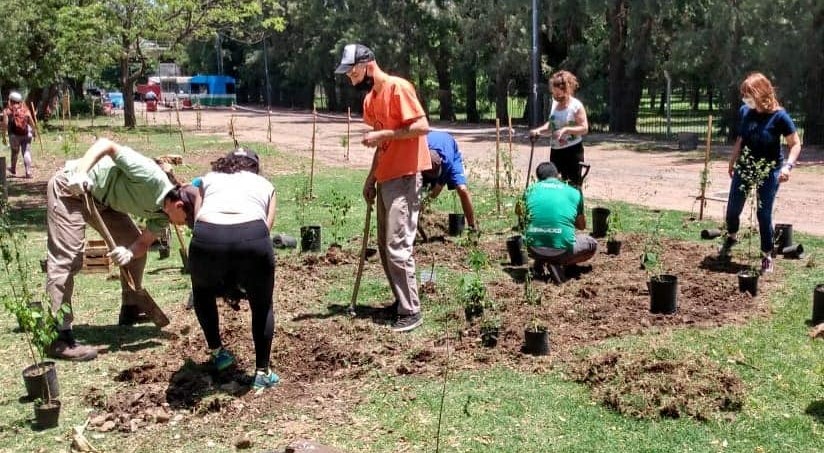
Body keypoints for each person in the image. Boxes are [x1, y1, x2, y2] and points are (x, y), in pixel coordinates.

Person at [46, 138, 193, 361]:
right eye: (185, 221)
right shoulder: (150, 177)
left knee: (132, 243)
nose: (183, 226)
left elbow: (142, 244)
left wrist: (129, 252)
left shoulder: (163, 217)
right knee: (67, 260)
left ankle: (131, 307)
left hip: (104, 203)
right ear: (179, 206)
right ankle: (59, 336)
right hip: (71, 189)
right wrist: (81, 173)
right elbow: (106, 144)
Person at [335, 43, 430, 332]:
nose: (350, 77)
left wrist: (387, 133)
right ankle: (401, 301)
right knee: (385, 245)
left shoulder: (397, 88)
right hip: (386, 177)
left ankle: (411, 311)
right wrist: (370, 177)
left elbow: (423, 126)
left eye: (352, 71)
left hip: (405, 176)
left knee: (398, 245)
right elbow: (382, 146)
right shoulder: (369, 100)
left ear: (367, 64)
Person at [187, 147, 279, 393]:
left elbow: (197, 220)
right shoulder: (265, 185)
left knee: (202, 291)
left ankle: (218, 353)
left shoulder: (208, 179)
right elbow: (267, 227)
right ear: (254, 167)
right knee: (262, 305)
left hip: (207, 238)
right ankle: (262, 372)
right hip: (252, 236)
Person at [718, 72, 802, 273]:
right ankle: (731, 236)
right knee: (732, 208)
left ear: (761, 94)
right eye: (744, 95)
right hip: (745, 166)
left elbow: (796, 143)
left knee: (763, 214)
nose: (745, 99)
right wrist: (732, 161)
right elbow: (741, 138)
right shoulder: (745, 111)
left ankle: (766, 255)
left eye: (748, 95)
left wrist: (787, 167)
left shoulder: (779, 116)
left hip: (769, 169)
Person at [524, 162, 597, 281]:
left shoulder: (530, 189)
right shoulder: (574, 192)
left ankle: (541, 262)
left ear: (538, 178)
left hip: (532, 249)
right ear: (558, 175)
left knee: (543, 235)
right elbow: (581, 226)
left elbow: (520, 214)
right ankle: (556, 263)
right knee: (591, 243)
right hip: (561, 251)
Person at [529, 71, 589, 187]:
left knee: (573, 186)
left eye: (559, 94)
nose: (556, 97)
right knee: (555, 184)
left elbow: (584, 128)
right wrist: (538, 131)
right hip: (556, 151)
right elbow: (551, 124)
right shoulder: (554, 105)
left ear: (567, 90)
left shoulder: (576, 106)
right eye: (554, 94)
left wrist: (566, 130)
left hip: (572, 151)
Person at [421, 130, 477, 230]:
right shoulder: (419, 153)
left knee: (462, 190)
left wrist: (423, 205)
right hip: (428, 152)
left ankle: (472, 227)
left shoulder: (447, 161)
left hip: (452, 151)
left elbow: (436, 191)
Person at [1, 91, 36, 178]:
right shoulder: (25, 109)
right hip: (26, 134)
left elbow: (5, 124)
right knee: (26, 152)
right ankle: (28, 172)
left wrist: (3, 136)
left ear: (10, 100)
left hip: (14, 136)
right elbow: (31, 121)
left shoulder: (7, 111)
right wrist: (34, 132)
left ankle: (13, 169)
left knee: (15, 152)